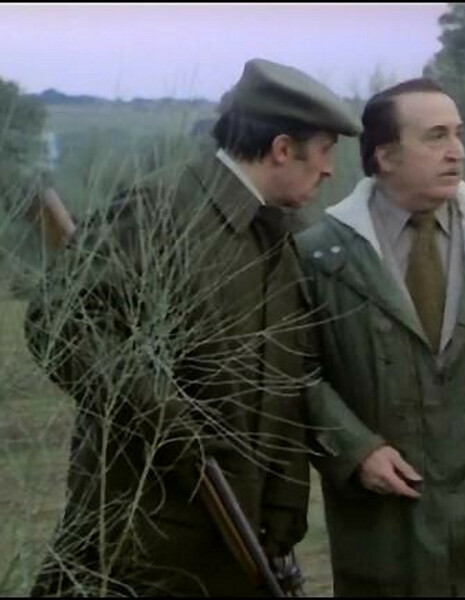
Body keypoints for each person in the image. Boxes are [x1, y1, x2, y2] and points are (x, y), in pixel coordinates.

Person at [24, 58, 361, 597]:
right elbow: (60, 324)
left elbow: (284, 391)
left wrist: (281, 518)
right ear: (281, 149)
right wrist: (161, 417)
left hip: (241, 547)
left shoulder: (277, 240)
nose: (328, 170)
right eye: (324, 151)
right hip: (144, 548)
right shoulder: (160, 212)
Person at [294, 77, 465, 596]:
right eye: (436, 136)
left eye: (458, 134)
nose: (457, 152)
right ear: (385, 156)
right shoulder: (321, 254)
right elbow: (297, 374)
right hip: (386, 526)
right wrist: (356, 450)